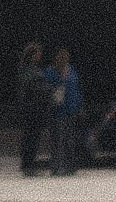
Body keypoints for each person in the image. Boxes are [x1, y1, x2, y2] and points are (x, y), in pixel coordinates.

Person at [14, 41, 52, 176]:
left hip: (35, 108)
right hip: (31, 109)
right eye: (37, 54)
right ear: (32, 55)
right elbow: (30, 89)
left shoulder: (30, 69)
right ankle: (27, 165)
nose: (39, 56)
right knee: (30, 138)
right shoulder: (28, 70)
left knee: (32, 138)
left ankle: (28, 164)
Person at [48, 46, 84, 175]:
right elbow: (49, 90)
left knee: (70, 139)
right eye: (61, 57)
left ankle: (70, 166)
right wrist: (60, 78)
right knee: (58, 140)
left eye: (65, 57)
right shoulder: (51, 71)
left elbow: (76, 89)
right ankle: (57, 166)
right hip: (58, 111)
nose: (64, 60)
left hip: (71, 109)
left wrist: (79, 106)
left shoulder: (72, 70)